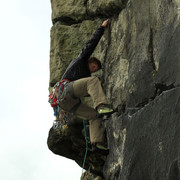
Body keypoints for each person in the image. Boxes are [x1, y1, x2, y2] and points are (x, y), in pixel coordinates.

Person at [56, 19, 114, 150]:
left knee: (94, 115)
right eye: (93, 66)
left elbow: (88, 89)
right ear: (89, 62)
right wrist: (101, 28)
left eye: (96, 69)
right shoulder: (81, 60)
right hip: (65, 91)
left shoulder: (86, 77)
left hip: (67, 103)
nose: (93, 70)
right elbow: (91, 44)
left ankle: (97, 143)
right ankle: (101, 105)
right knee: (93, 81)